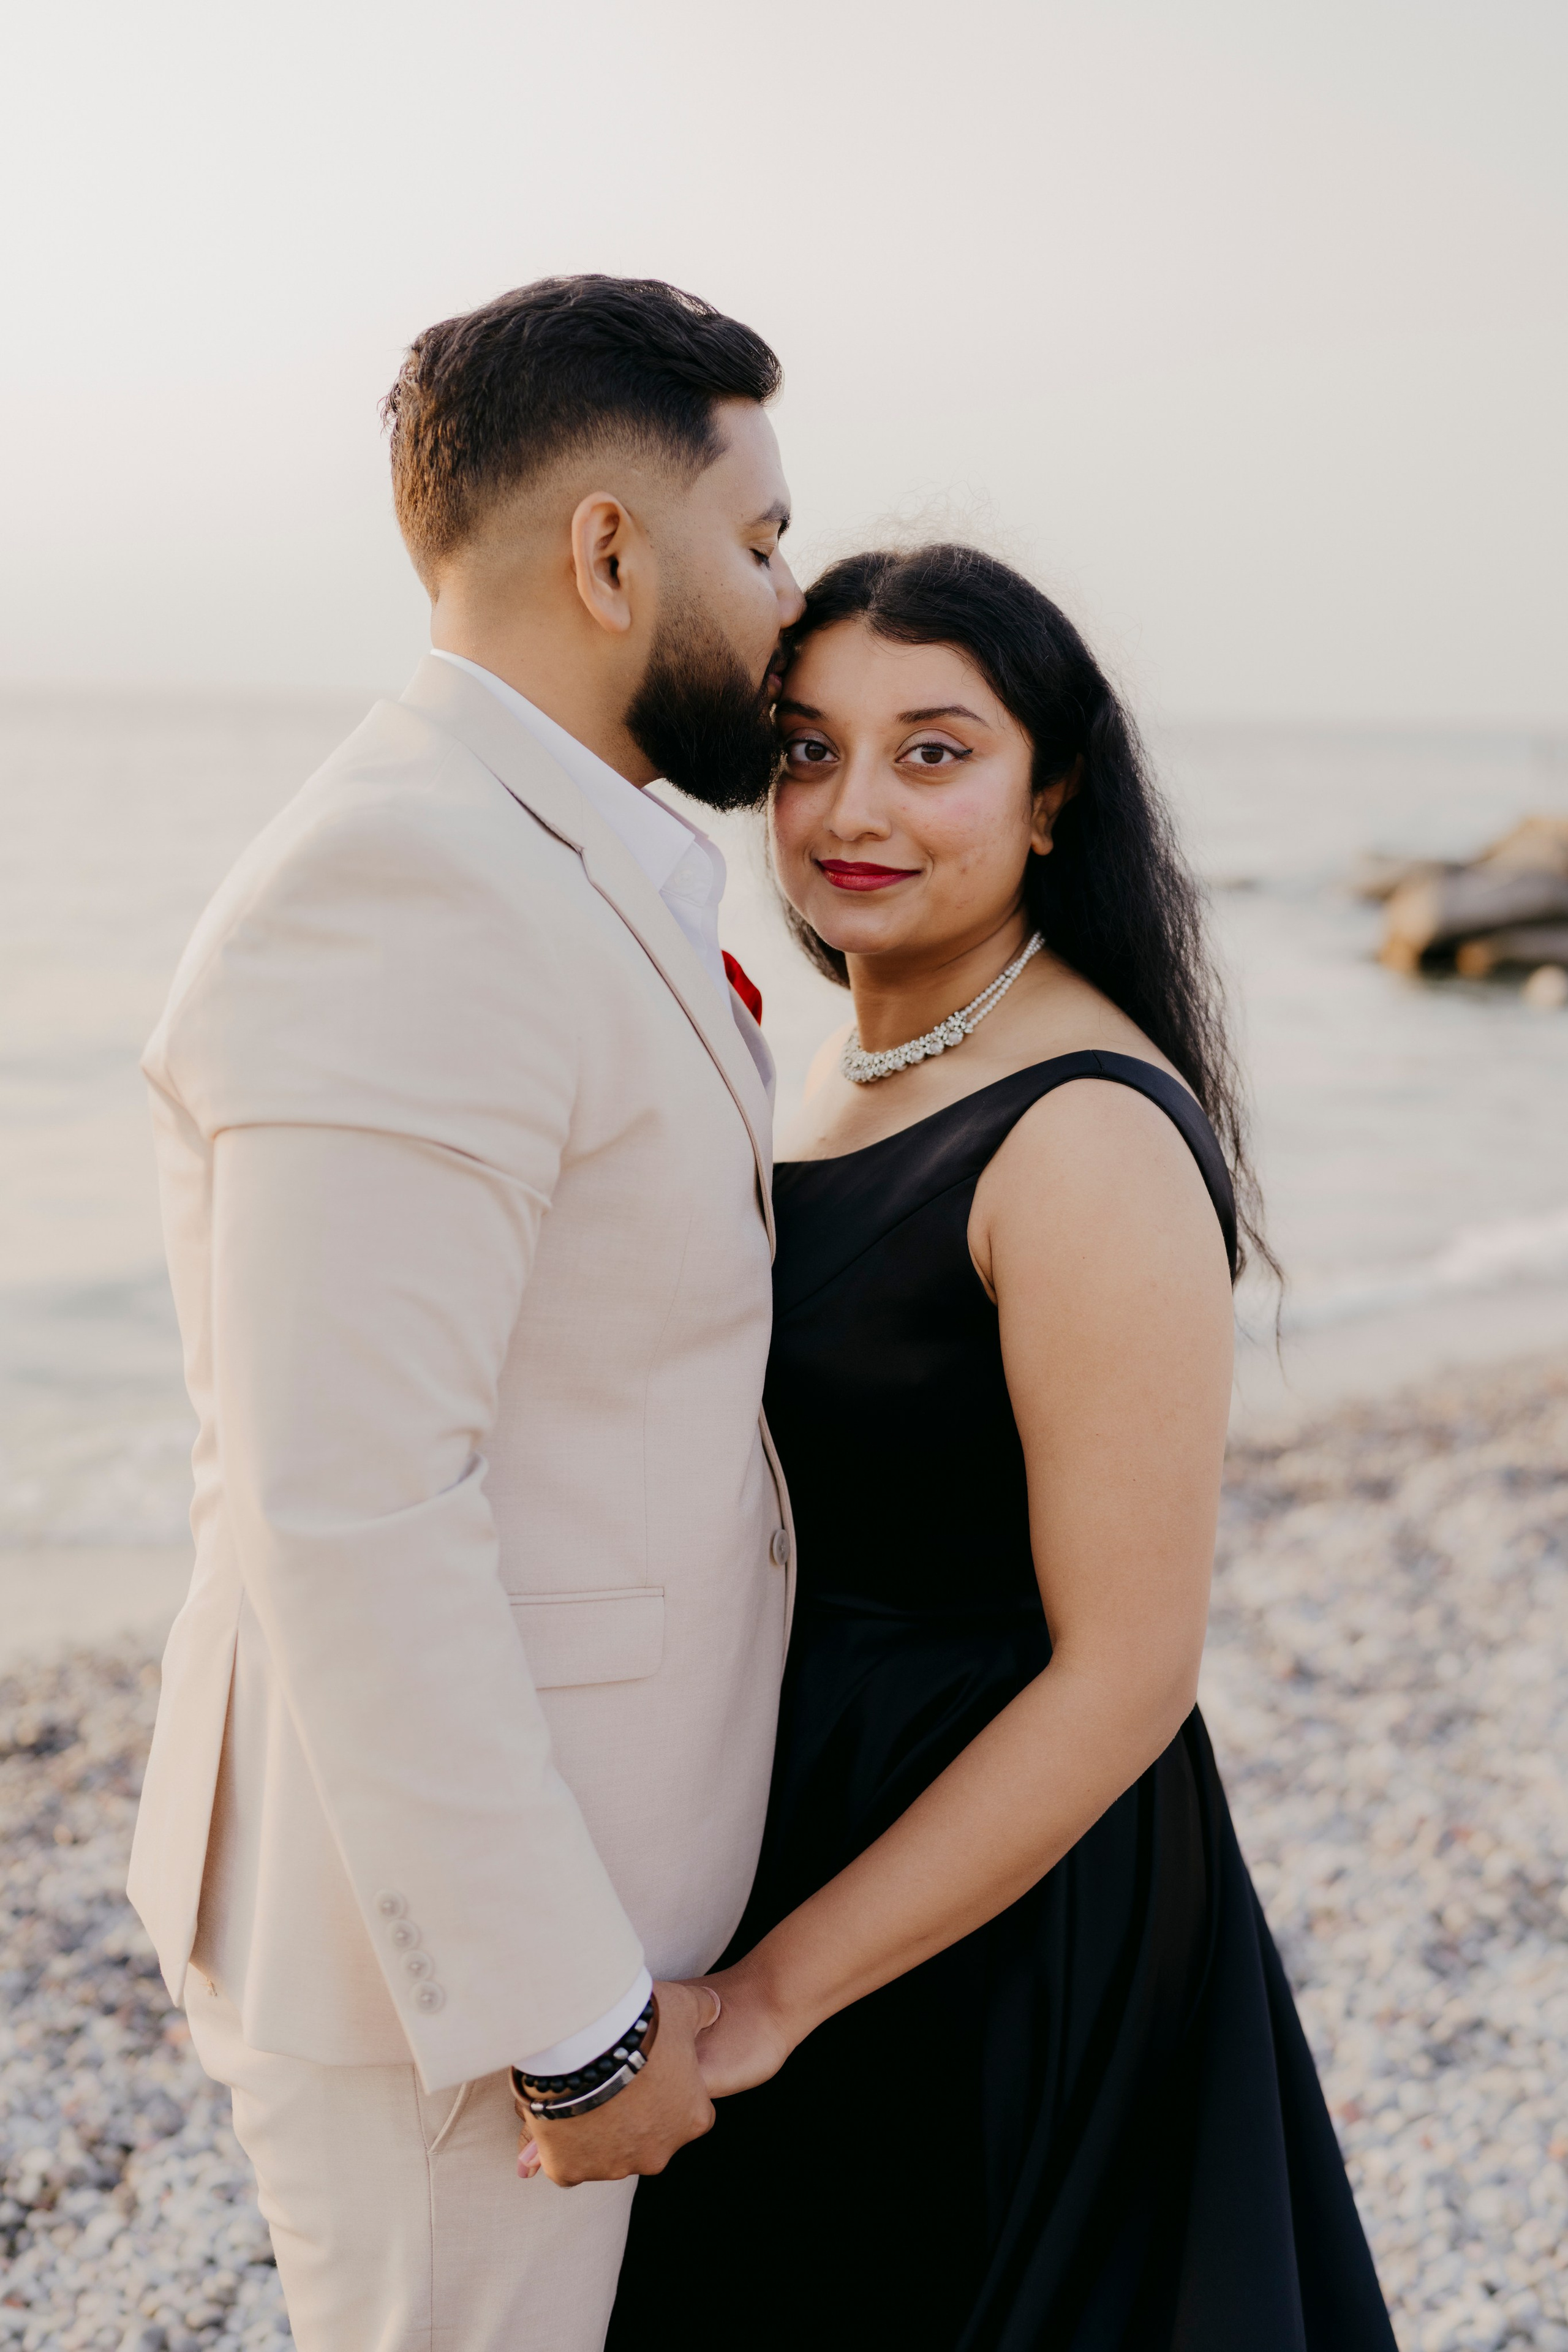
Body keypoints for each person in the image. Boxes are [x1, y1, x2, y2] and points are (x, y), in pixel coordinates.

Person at [606, 545, 1397, 2349]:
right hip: (815, 1816)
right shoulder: (838, 1066)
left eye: (935, 753)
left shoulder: (1084, 1133)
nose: (852, 809)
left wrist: (772, 1999)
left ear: (1055, 798)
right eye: (806, 750)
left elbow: (1127, 1671)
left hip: (994, 1900)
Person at [126, 274, 805, 2352]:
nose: (792, 604)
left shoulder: (557, 857)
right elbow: (353, 1512)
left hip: (590, 1913)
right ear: (611, 553)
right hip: (464, 2002)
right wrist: (574, 2028)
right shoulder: (411, 886)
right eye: (760, 544)